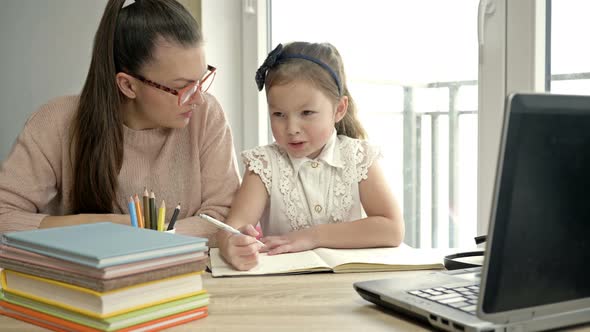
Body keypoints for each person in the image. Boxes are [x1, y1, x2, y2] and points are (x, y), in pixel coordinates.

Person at [0, 0, 240, 242]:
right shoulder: (55, 122)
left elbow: (225, 219)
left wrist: (147, 234)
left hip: (186, 277)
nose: (198, 98)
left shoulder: (206, 114)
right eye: (182, 88)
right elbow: (4, 216)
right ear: (127, 85)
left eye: (200, 80)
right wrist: (102, 224)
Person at [218, 42, 405, 270]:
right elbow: (232, 229)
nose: (292, 128)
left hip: (348, 286)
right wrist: (233, 244)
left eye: (306, 113)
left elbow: (392, 229)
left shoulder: (359, 157)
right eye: (278, 114)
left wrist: (313, 236)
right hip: (284, 288)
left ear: (338, 109)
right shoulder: (264, 164)